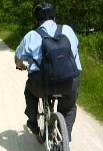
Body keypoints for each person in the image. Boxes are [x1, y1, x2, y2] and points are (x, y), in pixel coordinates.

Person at [15, 3, 82, 141]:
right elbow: (75, 48)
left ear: (36, 21)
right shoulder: (68, 30)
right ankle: (64, 138)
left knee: (29, 91)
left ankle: (33, 123)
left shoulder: (31, 35)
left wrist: (21, 65)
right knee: (69, 108)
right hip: (70, 81)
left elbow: (17, 57)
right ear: (55, 18)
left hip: (42, 83)